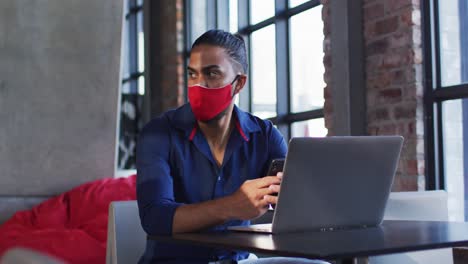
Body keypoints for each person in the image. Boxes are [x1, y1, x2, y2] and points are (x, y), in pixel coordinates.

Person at [136, 29, 328, 264]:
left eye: (212, 73)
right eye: (193, 74)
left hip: (240, 260)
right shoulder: (158, 134)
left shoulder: (265, 136)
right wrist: (231, 206)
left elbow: (295, 204)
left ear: (239, 83)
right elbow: (155, 218)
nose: (199, 85)